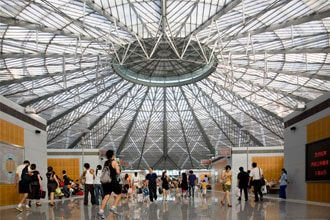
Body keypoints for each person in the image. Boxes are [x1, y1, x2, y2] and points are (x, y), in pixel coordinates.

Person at [98, 150, 122, 217]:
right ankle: (113, 207)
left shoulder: (105, 162)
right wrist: (118, 167)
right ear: (112, 155)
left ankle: (101, 211)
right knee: (119, 194)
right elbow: (118, 172)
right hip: (112, 181)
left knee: (106, 196)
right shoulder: (114, 162)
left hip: (105, 182)